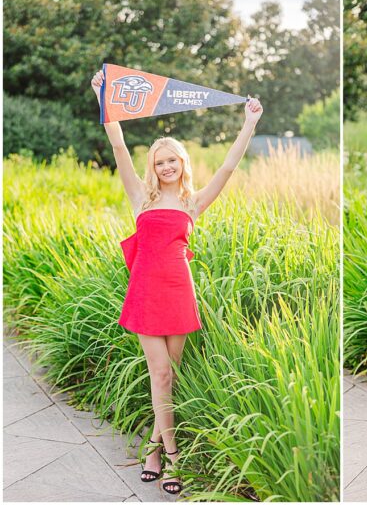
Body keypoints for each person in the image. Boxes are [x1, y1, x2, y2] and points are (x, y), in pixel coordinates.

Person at [91, 69, 263, 495]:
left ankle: (151, 446)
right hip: (147, 293)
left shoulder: (193, 201)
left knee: (168, 376)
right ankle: (173, 456)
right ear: (153, 168)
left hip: (179, 293)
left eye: (172, 160)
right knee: (161, 372)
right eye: (159, 162)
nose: (166, 166)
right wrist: (104, 98)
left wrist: (249, 124)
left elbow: (227, 167)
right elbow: (118, 145)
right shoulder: (139, 196)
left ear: (182, 164)